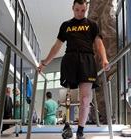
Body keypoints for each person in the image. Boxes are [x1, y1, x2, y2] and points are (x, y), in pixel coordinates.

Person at [38, 0, 109, 138]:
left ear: (86, 9)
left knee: (85, 98)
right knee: (68, 97)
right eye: (77, 10)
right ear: (72, 8)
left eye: (83, 10)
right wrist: (44, 64)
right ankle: (67, 125)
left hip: (87, 59)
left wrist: (104, 59)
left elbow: (99, 45)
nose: (79, 13)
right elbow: (56, 46)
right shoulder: (66, 25)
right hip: (70, 59)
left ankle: (81, 130)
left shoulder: (92, 25)